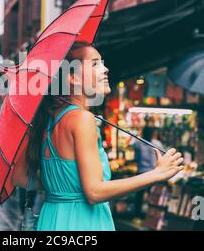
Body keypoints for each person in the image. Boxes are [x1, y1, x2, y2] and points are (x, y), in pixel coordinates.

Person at [11, 41, 184, 231]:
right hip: (82, 223)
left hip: (52, 219)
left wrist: (64, 189)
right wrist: (155, 174)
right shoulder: (82, 119)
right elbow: (94, 192)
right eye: (95, 64)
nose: (105, 69)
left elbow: (19, 177)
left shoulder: (49, 122)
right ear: (73, 78)